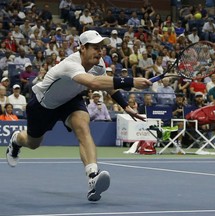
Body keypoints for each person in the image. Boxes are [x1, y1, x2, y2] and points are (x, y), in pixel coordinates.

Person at [5, 30, 152, 202]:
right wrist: (132, 82)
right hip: (44, 105)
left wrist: (125, 106)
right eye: (95, 47)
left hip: (71, 99)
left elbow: (106, 84)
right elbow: (92, 82)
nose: (100, 51)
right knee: (32, 143)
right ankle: (16, 140)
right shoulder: (70, 64)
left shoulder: (99, 64)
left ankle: (93, 177)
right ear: (82, 48)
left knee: (83, 127)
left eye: (101, 47)